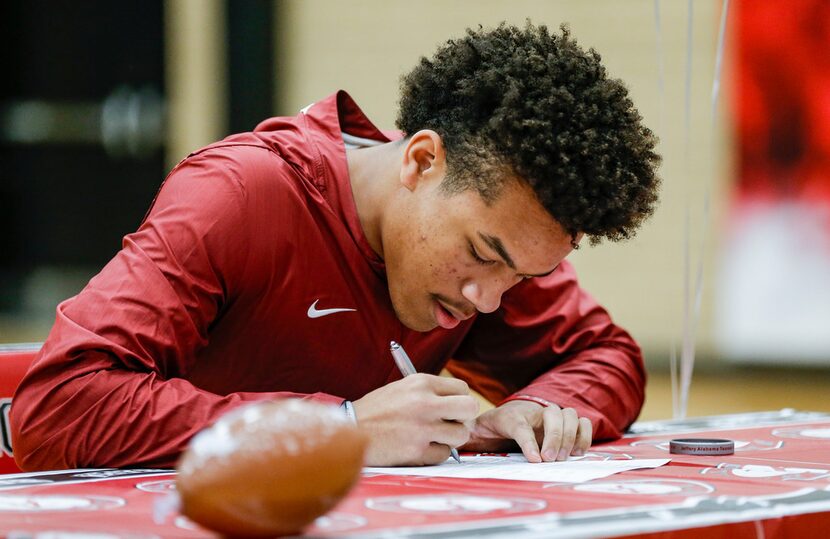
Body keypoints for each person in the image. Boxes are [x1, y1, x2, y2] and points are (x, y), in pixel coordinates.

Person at [11, 22, 660, 470]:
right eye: (485, 254)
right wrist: (336, 428)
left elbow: (608, 356)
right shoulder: (242, 195)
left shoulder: (492, 246)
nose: (487, 300)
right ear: (422, 160)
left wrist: (538, 411)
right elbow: (55, 406)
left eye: (522, 277)